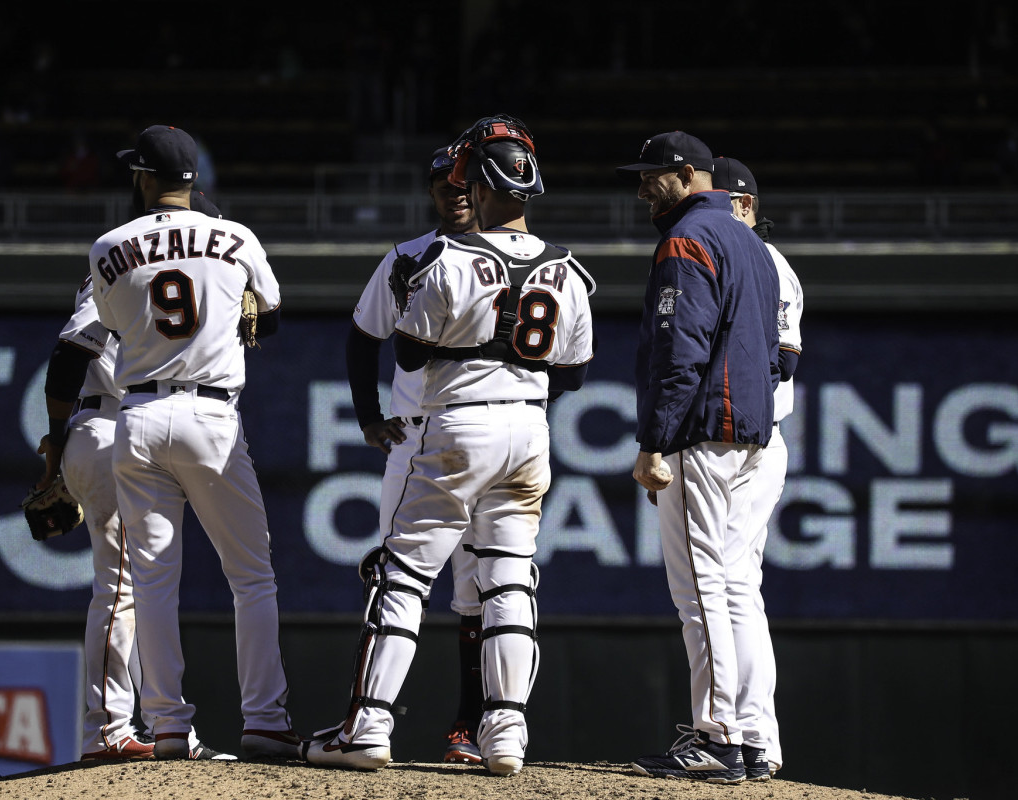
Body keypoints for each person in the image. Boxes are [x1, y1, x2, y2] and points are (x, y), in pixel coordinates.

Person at [302, 114, 595, 776]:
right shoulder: (568, 268)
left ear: (483, 184)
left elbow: (406, 351)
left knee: (403, 577)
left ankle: (368, 727)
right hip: (530, 427)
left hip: (457, 424)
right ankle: (506, 736)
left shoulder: (443, 259)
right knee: (509, 581)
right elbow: (575, 373)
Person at [90, 124, 299, 761]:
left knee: (152, 583)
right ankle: (264, 718)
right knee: (252, 576)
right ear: (193, 181)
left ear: (146, 178)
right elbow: (274, 314)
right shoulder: (236, 237)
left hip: (139, 412)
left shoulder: (109, 245)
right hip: (212, 414)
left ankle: (168, 726)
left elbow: (109, 323)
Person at [33, 193, 239, 762]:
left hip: (111, 428)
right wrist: (57, 446)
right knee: (123, 587)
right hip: (107, 427)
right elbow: (71, 352)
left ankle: (160, 724)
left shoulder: (123, 266)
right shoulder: (135, 269)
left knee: (138, 586)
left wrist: (56, 445)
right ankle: (106, 730)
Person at [616, 131, 780, 784]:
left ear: (687, 175)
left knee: (701, 591)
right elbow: (773, 356)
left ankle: (718, 736)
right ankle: (743, 735)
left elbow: (678, 351)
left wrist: (655, 440)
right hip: (746, 434)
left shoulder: (688, 239)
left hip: (700, 431)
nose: (640, 189)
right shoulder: (753, 243)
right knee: (730, 590)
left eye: (650, 176)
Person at [344, 146, 484, 764]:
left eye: (464, 181)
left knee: (484, 588)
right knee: (395, 578)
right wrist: (369, 416)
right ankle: (370, 722)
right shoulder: (405, 257)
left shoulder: (517, 256)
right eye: (442, 181)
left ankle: (470, 728)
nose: (453, 191)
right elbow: (361, 336)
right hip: (415, 435)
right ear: (430, 190)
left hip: (483, 435)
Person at [711, 156, 805, 780]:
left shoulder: (760, 261)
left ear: (744, 204)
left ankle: (739, 735)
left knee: (727, 587)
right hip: (759, 440)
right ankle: (759, 739)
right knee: (741, 587)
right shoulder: (769, 262)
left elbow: (782, 363)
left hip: (745, 440)